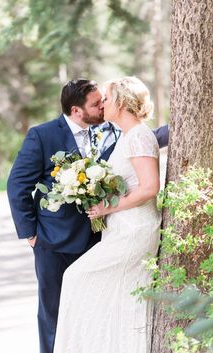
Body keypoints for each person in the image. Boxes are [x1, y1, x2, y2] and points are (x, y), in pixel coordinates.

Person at [7, 78, 168, 353]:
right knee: (54, 311)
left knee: (95, 307)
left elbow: (140, 143)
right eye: (96, 104)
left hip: (98, 237)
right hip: (53, 242)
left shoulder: (111, 133)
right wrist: (31, 235)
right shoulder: (43, 135)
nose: (102, 107)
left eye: (104, 100)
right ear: (76, 111)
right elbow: (17, 185)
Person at [53, 77, 161, 353]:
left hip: (135, 230)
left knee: (76, 277)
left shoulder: (138, 135)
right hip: (119, 229)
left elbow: (150, 187)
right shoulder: (127, 135)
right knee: (118, 299)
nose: (103, 104)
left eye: (107, 99)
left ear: (122, 102)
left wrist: (106, 208)